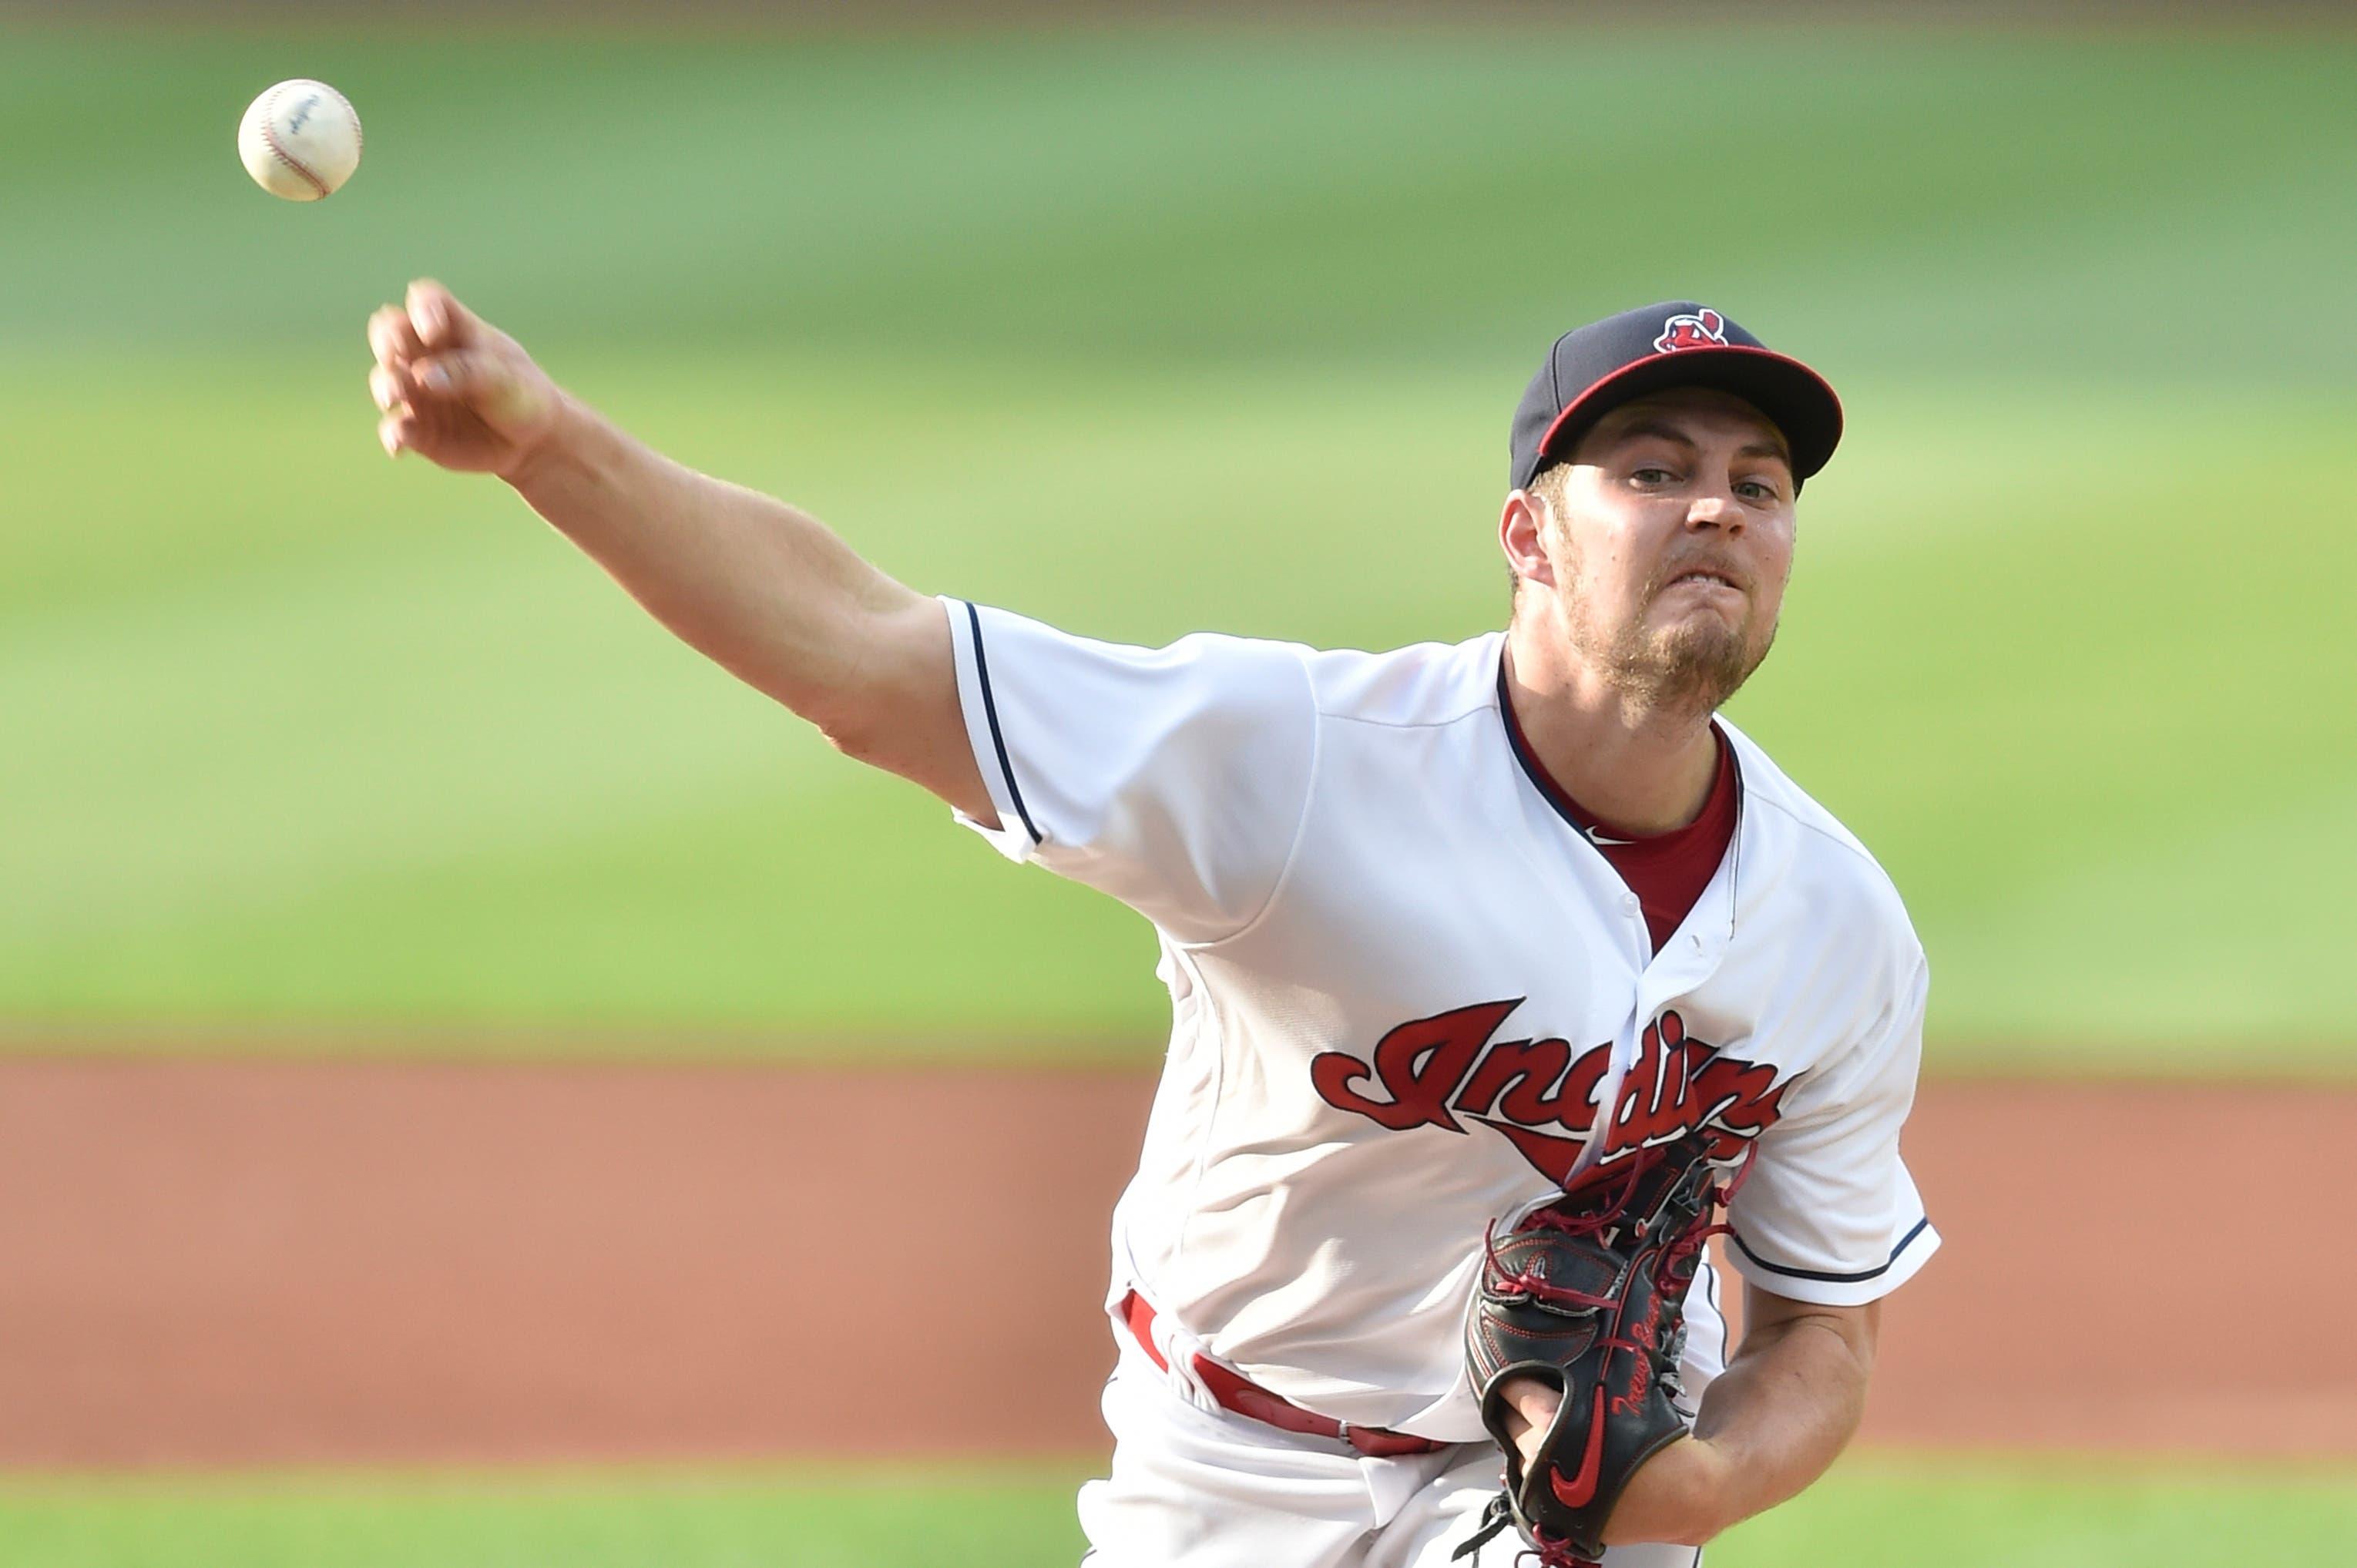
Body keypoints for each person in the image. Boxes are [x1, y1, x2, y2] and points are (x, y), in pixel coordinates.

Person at [365, 288, 1939, 1566]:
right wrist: (545, 445)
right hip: (1236, 1462)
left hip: (1550, 1504)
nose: (1718, 511)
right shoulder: (1302, 760)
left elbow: (1820, 1328)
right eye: (1655, 471)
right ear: (1528, 539)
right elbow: (861, 656)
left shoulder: (1837, 927)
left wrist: (1697, 1486)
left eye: (1759, 484)